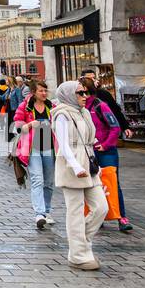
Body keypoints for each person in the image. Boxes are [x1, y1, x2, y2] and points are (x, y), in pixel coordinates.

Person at [52, 80, 106, 271]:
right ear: (68, 95)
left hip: (89, 163)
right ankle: (78, 255)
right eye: (81, 93)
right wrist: (75, 166)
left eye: (86, 92)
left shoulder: (83, 112)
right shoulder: (61, 114)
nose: (85, 96)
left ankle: (81, 243)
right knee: (75, 211)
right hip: (72, 164)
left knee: (101, 207)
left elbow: (89, 138)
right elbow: (64, 145)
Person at [84, 82, 133, 233]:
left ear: (89, 92)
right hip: (89, 152)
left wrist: (105, 144)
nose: (79, 95)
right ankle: (98, 215)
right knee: (92, 184)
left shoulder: (100, 106)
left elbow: (115, 127)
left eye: (82, 92)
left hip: (106, 151)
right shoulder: (79, 108)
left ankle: (121, 217)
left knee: (112, 182)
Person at [13, 81, 54, 229]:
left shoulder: (51, 106)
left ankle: (47, 211)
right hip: (32, 147)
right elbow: (17, 125)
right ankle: (39, 213)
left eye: (45, 90)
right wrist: (30, 124)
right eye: (41, 91)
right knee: (37, 179)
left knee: (49, 182)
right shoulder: (25, 106)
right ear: (34, 92)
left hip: (49, 146)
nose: (44, 93)